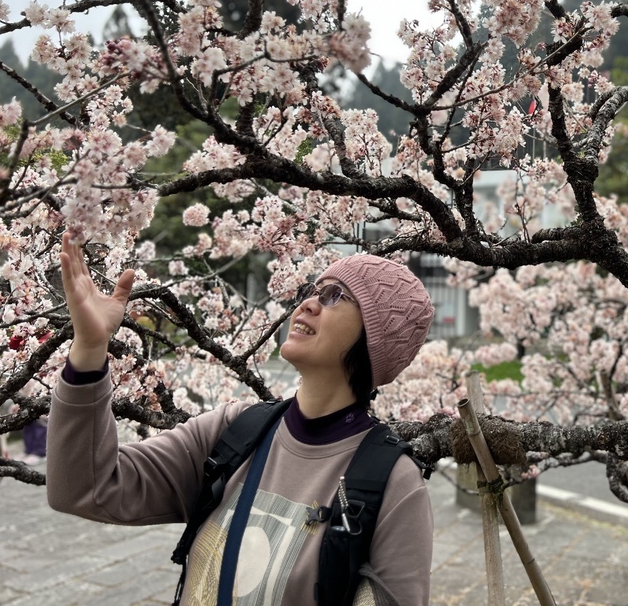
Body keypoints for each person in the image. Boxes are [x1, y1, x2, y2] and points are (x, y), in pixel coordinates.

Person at [47, 232, 436, 605]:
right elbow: (85, 487)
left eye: (336, 297)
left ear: (375, 339)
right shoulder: (234, 433)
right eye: (314, 291)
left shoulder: (393, 485)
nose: (309, 304)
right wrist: (89, 349)